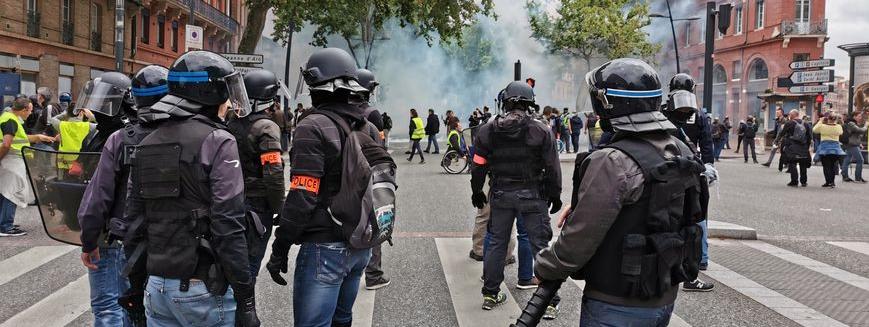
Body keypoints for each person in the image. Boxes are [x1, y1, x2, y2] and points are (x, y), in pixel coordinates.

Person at [532, 58, 704, 327]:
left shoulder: (612, 160)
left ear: (607, 102)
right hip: (663, 297)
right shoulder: (681, 150)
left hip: (615, 303)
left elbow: (579, 239)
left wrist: (545, 266)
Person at [123, 51, 260, 327]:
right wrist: (246, 298)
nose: (228, 102)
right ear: (210, 92)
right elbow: (228, 224)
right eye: (226, 93)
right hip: (202, 288)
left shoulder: (147, 142)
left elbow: (134, 223)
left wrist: (135, 290)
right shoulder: (219, 140)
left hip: (157, 288)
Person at [266, 47, 379, 327]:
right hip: (360, 243)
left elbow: (303, 195)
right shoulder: (368, 127)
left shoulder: (313, 125)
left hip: (326, 247)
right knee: (342, 319)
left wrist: (280, 246)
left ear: (317, 85)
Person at [77, 65, 168, 327]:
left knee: (109, 308)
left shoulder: (120, 138)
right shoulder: (178, 135)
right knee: (140, 309)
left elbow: (97, 197)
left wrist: (88, 239)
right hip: (160, 238)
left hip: (116, 235)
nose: (98, 109)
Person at [471, 81, 562, 317]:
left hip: (500, 194)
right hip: (532, 195)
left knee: (496, 243)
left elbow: (478, 165)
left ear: (506, 102)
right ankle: (549, 302)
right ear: (530, 104)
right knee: (539, 246)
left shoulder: (487, 130)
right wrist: (556, 194)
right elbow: (553, 167)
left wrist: (477, 190)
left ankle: (491, 293)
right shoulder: (541, 130)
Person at [226, 69, 286, 289]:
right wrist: (280, 206)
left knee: (233, 262)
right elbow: (274, 173)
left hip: (231, 201)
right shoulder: (267, 127)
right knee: (250, 265)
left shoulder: (231, 123)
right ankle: (244, 313)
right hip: (257, 206)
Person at [661, 72, 715, 292]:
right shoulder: (699, 115)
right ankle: (698, 262)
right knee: (696, 216)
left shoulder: (661, 111)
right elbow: (707, 142)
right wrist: (710, 166)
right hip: (691, 171)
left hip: (665, 169)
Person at [355, 68, 391, 290]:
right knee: (374, 224)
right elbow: (380, 151)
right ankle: (374, 275)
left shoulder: (338, 111)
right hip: (369, 178)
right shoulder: (372, 114)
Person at [0, 96, 52, 237]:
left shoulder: (8, 117)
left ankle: (3, 222)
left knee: (5, 192)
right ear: (23, 110)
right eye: (29, 110)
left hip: (9, 160)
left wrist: (38, 137)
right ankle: (6, 226)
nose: (30, 113)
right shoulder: (11, 121)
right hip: (11, 160)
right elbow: (6, 144)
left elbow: (18, 138)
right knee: (13, 192)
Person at [781, 109, 812, 187]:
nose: (789, 116)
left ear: (792, 115)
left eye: (790, 115)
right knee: (803, 164)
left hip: (792, 146)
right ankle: (804, 182)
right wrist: (807, 146)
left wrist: (777, 141)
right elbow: (809, 136)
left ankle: (794, 181)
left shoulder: (789, 123)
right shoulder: (806, 124)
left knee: (792, 163)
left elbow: (782, 133)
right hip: (803, 147)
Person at [813, 113, 846, 188]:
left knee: (826, 166)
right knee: (833, 165)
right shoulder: (838, 127)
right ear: (835, 119)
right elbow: (841, 132)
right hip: (836, 149)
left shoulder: (823, 126)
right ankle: (832, 182)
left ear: (828, 119)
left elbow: (814, 130)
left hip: (825, 148)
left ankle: (828, 182)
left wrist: (820, 121)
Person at [841, 111, 867, 183]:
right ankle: (858, 178)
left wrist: (859, 143)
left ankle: (845, 176)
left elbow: (855, 135)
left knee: (847, 159)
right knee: (860, 160)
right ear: (854, 116)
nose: (860, 118)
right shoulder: (851, 123)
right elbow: (859, 130)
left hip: (852, 144)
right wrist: (866, 126)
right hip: (851, 144)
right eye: (859, 116)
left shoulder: (852, 123)